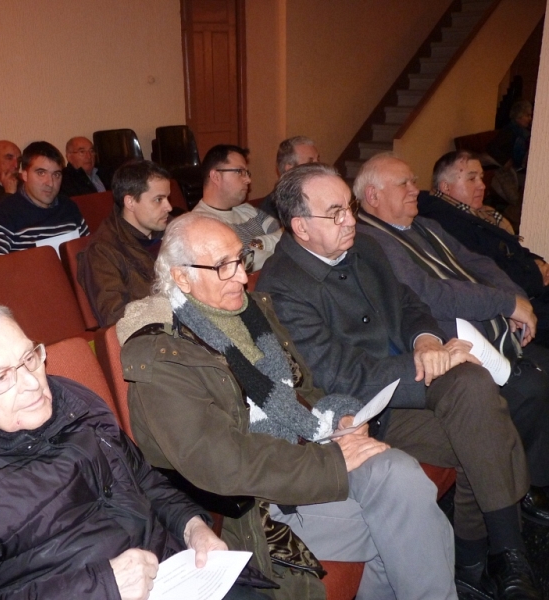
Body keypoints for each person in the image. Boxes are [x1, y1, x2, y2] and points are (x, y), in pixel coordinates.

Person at [117, 212, 458, 600]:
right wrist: (333, 461)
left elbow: (303, 391)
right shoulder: (164, 356)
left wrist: (336, 415)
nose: (243, 277)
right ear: (182, 277)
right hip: (255, 505)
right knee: (409, 518)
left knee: (400, 472)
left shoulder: (252, 311)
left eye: (240, 260)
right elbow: (220, 461)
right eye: (223, 266)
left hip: (304, 458)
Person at [256, 163, 541, 599]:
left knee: (476, 401)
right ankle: (493, 556)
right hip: (364, 413)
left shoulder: (365, 247)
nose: (349, 219)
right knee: (480, 410)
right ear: (301, 227)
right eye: (335, 213)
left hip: (411, 383)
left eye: (348, 208)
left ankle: (481, 560)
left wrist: (427, 339)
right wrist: (430, 361)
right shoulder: (283, 285)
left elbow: (410, 303)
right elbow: (339, 375)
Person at [0, 300, 268, 600]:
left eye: (29, 358)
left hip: (177, 572)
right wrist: (102, 587)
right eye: (1, 377)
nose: (33, 384)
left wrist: (192, 526)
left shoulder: (72, 401)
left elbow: (141, 477)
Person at [354, 153, 549, 528]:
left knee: (541, 367)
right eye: (405, 184)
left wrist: (516, 301)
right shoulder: (373, 241)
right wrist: (506, 302)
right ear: (374, 196)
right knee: (532, 385)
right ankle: (518, 488)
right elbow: (432, 296)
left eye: (414, 181)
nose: (416, 190)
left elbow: (480, 263)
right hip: (445, 335)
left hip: (484, 321)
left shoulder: (425, 226)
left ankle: (524, 479)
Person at [419, 150, 549, 347]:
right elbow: (484, 271)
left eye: (480, 177)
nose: (482, 185)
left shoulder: (482, 215)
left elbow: (512, 248)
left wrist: (539, 262)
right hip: (511, 303)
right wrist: (535, 274)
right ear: (445, 187)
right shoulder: (445, 222)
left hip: (528, 287)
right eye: (472, 179)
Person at [79, 160, 172, 327]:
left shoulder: (174, 230)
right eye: (159, 199)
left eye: (167, 198)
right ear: (130, 202)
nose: (169, 207)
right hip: (155, 337)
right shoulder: (103, 251)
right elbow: (115, 316)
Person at [0, 141, 89, 259]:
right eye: (41, 173)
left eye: (56, 175)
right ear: (25, 175)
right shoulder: (3, 213)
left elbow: (89, 251)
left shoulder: (68, 206)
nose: (50, 183)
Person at [193, 144, 282, 270]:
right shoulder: (201, 224)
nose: (248, 180)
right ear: (216, 176)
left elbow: (286, 235)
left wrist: (260, 243)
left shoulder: (247, 210)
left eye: (247, 173)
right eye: (240, 172)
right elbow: (245, 262)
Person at [260, 136, 320, 219]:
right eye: (310, 162)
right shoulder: (273, 208)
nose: (319, 166)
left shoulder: (319, 194)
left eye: (317, 160)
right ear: (290, 169)